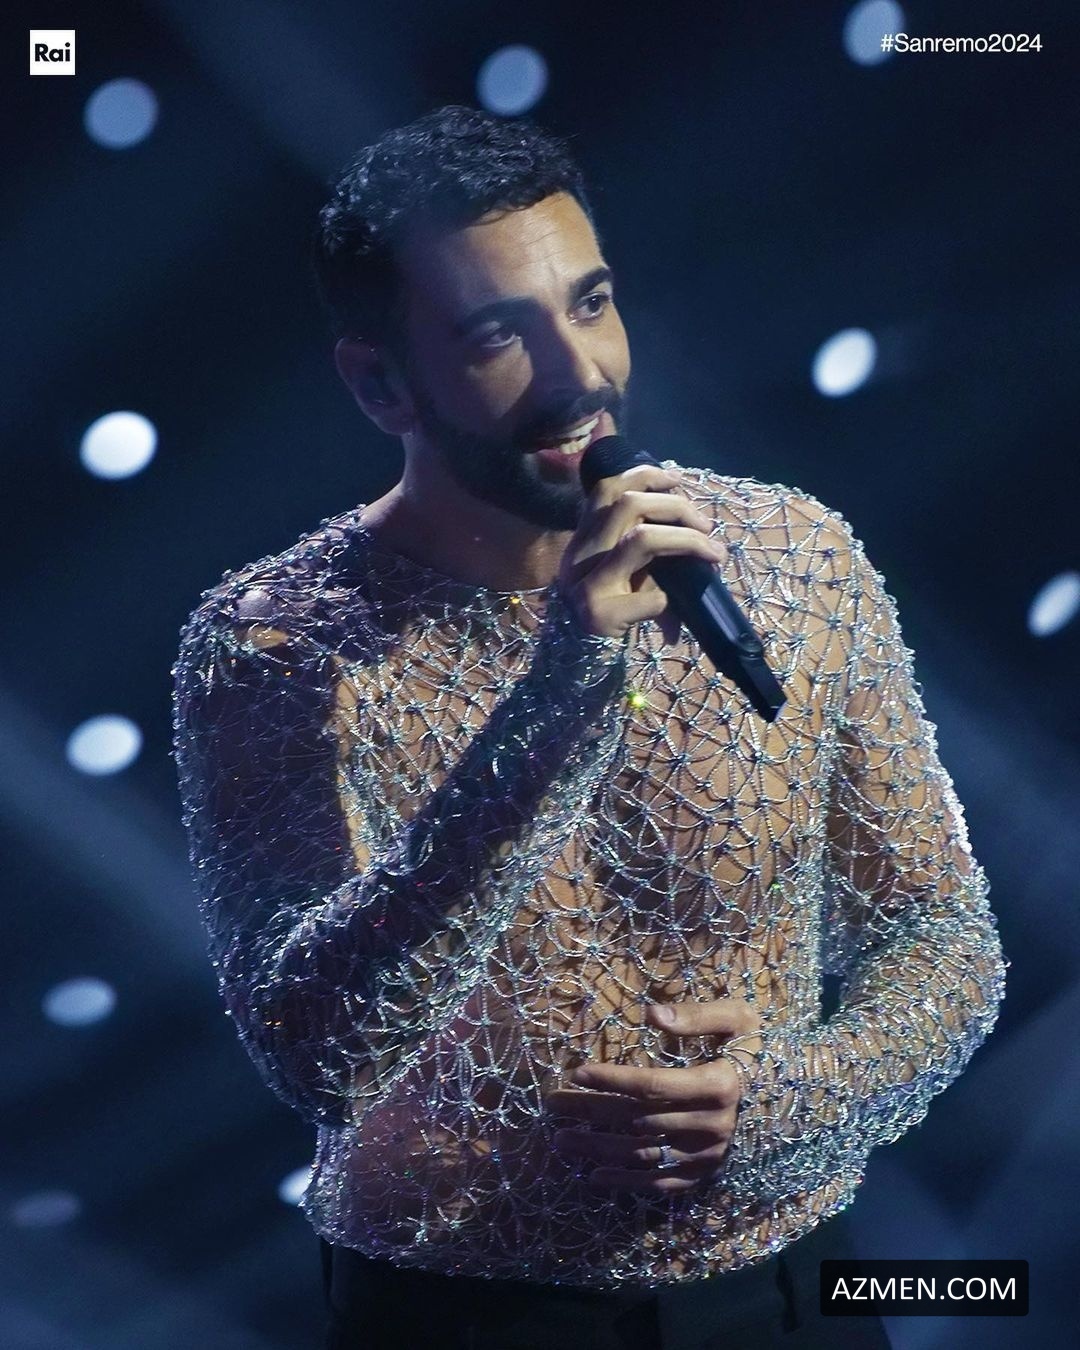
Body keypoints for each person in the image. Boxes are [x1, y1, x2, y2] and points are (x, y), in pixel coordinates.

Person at [171, 105, 1006, 1349]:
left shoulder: (791, 558)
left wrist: (791, 1099)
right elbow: (316, 1053)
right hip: (456, 1316)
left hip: (787, 1292)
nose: (579, 374)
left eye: (592, 303)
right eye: (499, 334)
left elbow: (942, 937)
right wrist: (562, 689)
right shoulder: (278, 647)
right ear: (381, 381)